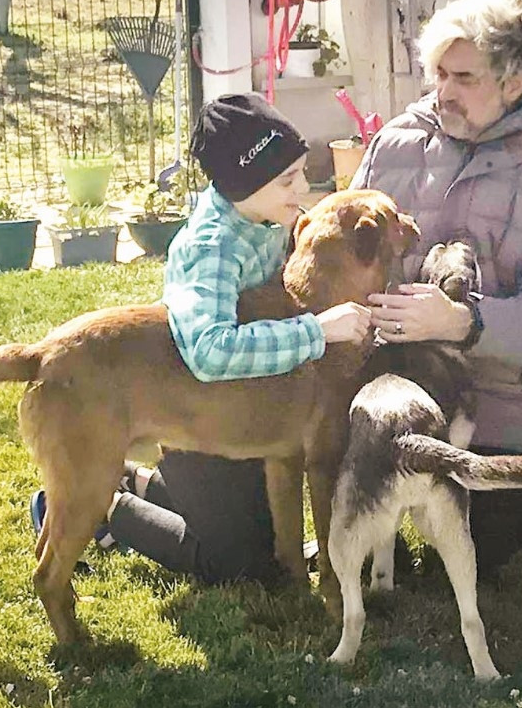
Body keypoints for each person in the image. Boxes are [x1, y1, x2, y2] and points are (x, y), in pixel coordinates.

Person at [31, 92, 370, 583]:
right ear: (241, 186)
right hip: (191, 418)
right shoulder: (211, 247)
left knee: (261, 534)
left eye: (301, 172)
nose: (303, 190)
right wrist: (316, 331)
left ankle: (131, 480)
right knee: (239, 565)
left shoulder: (269, 219)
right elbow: (210, 353)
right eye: (287, 180)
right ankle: (102, 503)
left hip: (243, 413)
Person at [353, 0, 522, 575]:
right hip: (394, 387)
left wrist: (464, 322)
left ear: (515, 82)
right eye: (438, 73)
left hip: (510, 401)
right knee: (346, 522)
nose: (443, 92)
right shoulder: (396, 143)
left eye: (463, 78)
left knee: (469, 551)